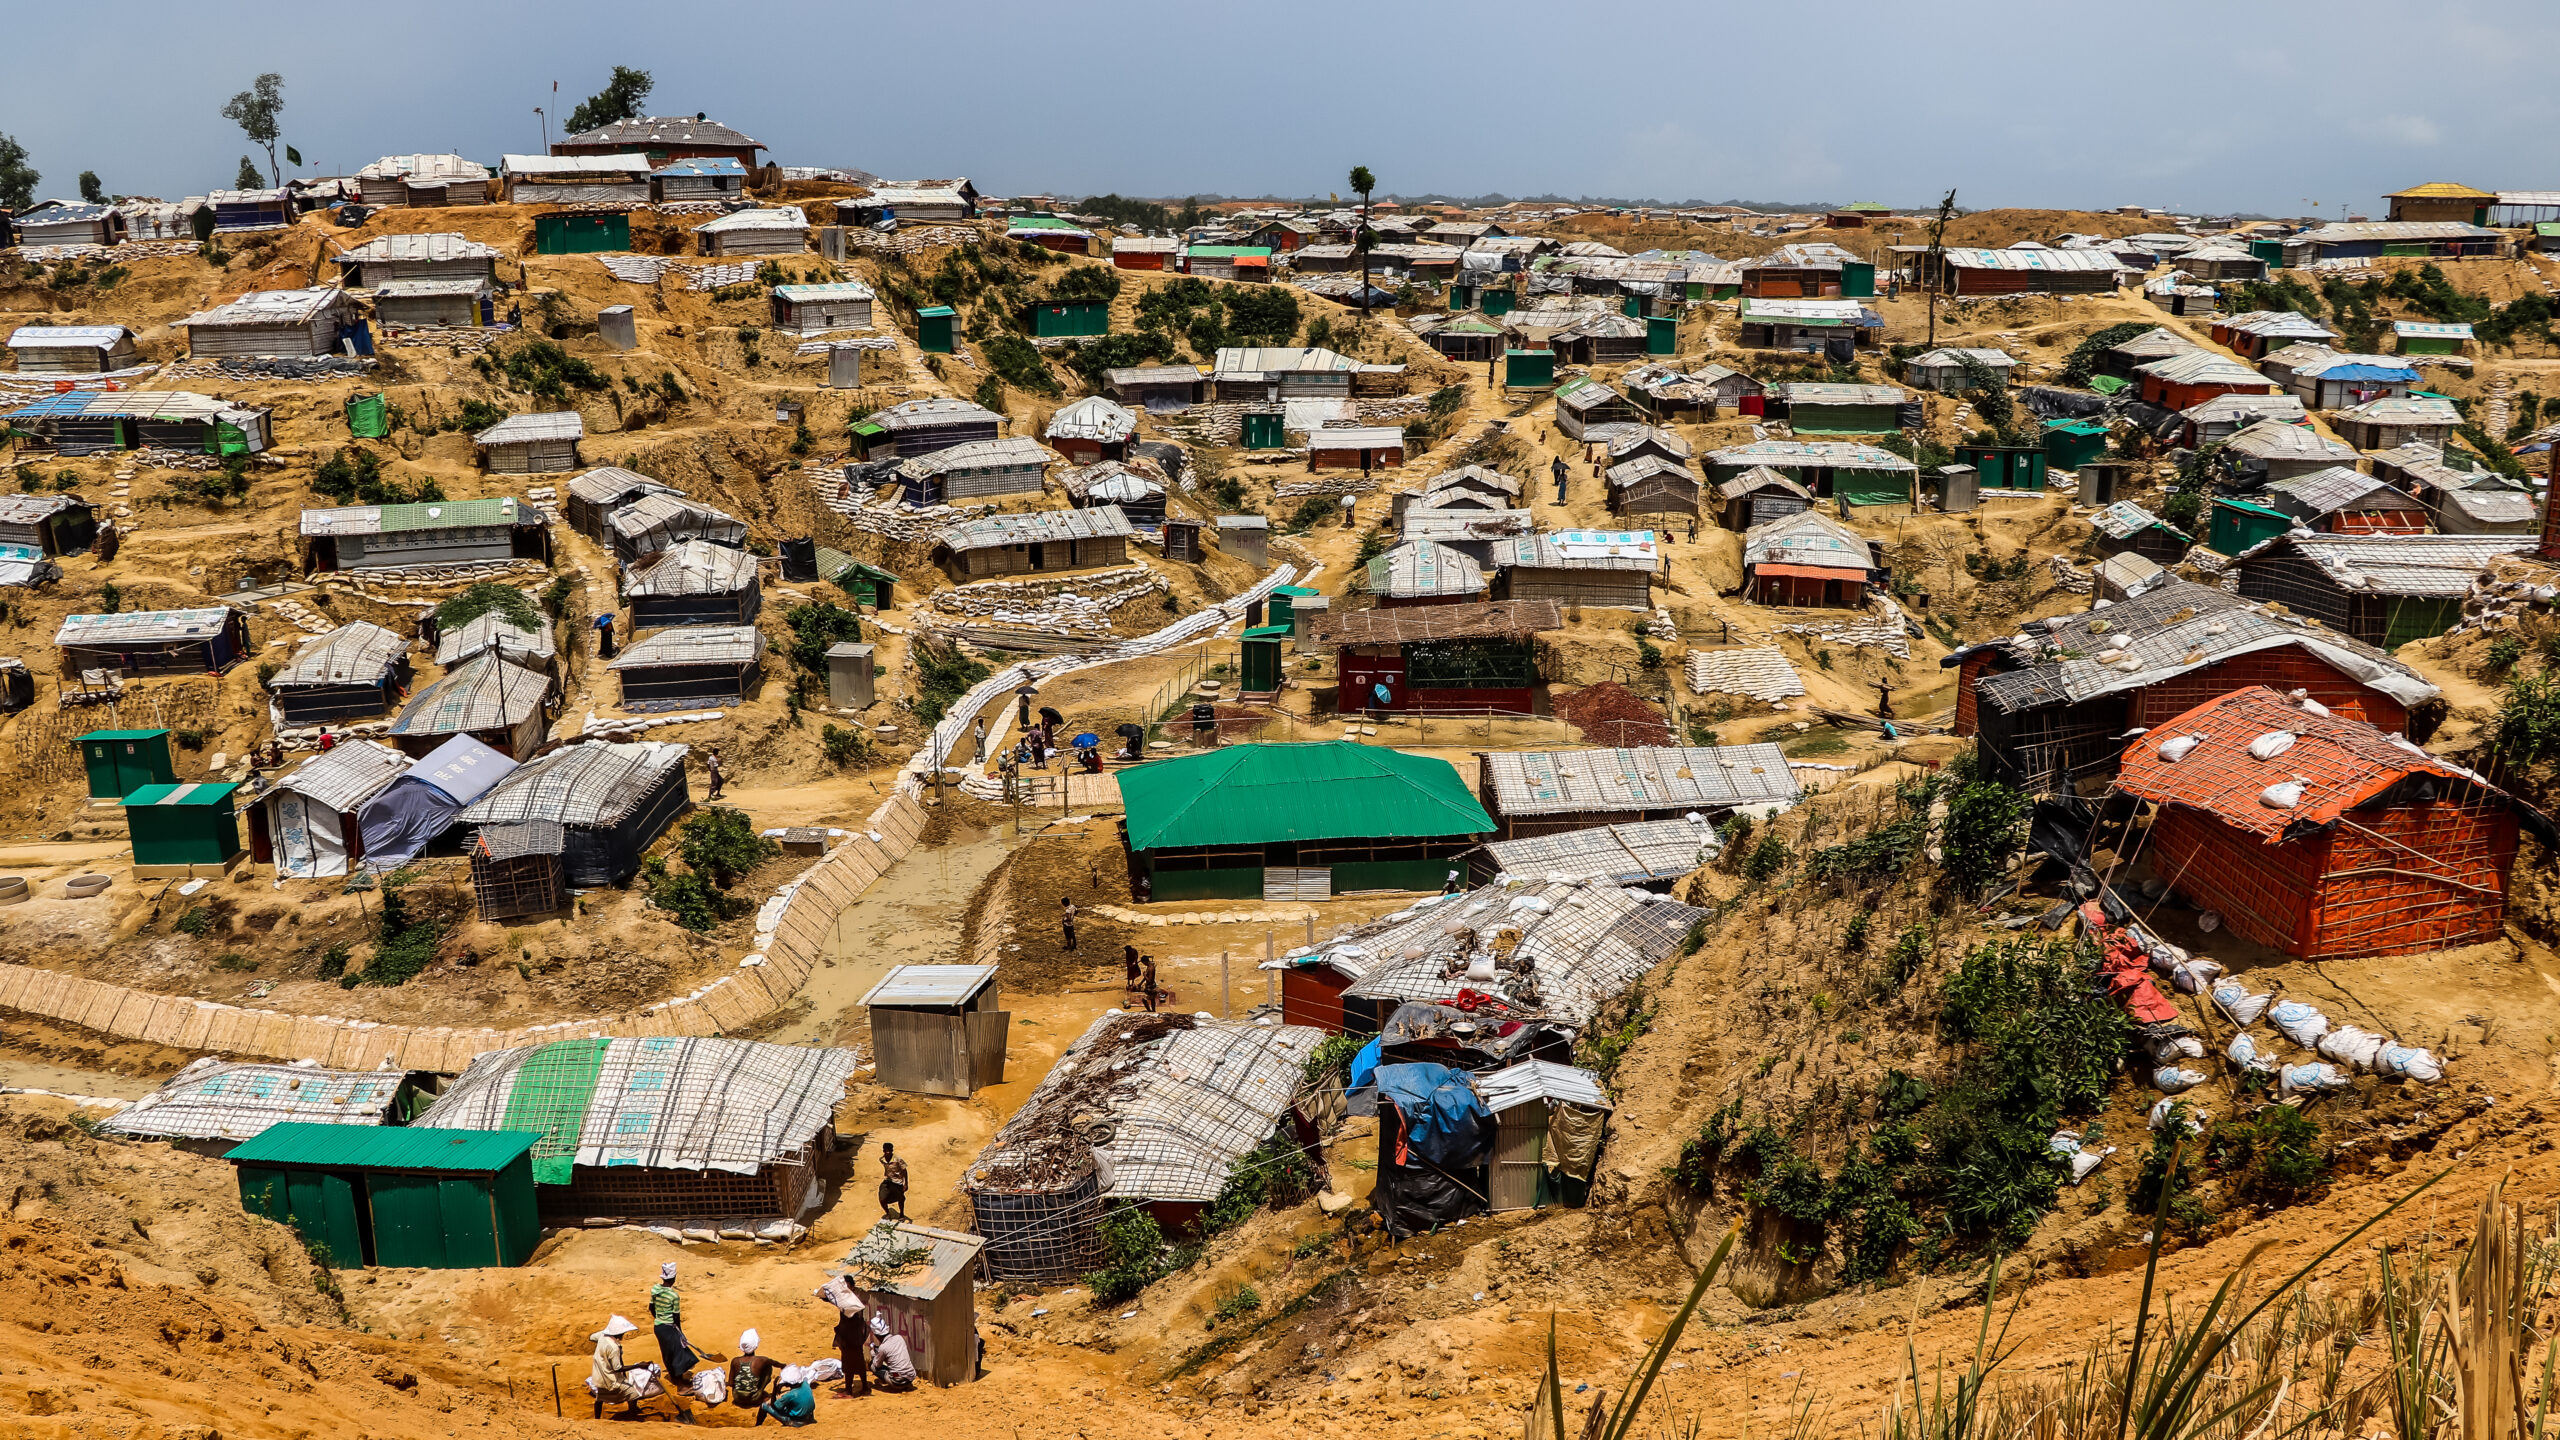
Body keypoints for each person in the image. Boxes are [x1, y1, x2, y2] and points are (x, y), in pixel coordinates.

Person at [815, 1273, 869, 1398]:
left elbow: (855, 1318)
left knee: (849, 1364)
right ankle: (863, 1387)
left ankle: (849, 1391)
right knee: (857, 1361)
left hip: (851, 1337)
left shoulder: (853, 1301)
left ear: (852, 1287)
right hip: (852, 1336)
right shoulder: (847, 1299)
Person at [589, 1314, 650, 1420]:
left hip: (600, 1375)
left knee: (600, 1398)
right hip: (610, 1379)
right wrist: (638, 1366)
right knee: (633, 1394)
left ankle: (597, 1419)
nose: (623, 1335)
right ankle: (632, 1415)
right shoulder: (614, 1348)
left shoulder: (602, 1336)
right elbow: (617, 1368)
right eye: (622, 1333)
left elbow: (591, 1337)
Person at [651, 1262, 697, 1384]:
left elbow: (651, 1307)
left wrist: (659, 1318)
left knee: (667, 1353)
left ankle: (673, 1377)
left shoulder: (655, 1289)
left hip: (658, 1327)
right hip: (669, 1327)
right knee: (677, 1354)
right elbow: (676, 1316)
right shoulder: (673, 1296)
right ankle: (679, 1383)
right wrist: (680, 1331)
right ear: (674, 1278)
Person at [729, 1330, 782, 1412]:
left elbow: (731, 1383)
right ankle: (759, 1392)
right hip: (754, 1399)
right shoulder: (762, 1360)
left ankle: (745, 1395)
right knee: (768, 1367)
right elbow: (776, 1364)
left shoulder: (735, 1361)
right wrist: (784, 1366)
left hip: (737, 1399)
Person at [867, 1313, 917, 1391]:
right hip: (911, 1376)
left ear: (877, 1335)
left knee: (872, 1365)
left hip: (897, 1381)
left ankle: (889, 1381)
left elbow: (877, 1365)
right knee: (892, 1368)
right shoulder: (899, 1338)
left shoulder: (883, 1347)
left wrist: (873, 1353)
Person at [878, 1143, 909, 1221]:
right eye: (886, 1151)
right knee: (882, 1199)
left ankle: (901, 1214)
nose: (887, 1152)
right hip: (887, 1181)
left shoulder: (898, 1159)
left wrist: (906, 1184)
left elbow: (904, 1171)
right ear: (883, 1150)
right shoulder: (882, 1159)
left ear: (892, 1150)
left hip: (898, 1182)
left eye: (889, 1151)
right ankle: (888, 1213)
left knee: (900, 1199)